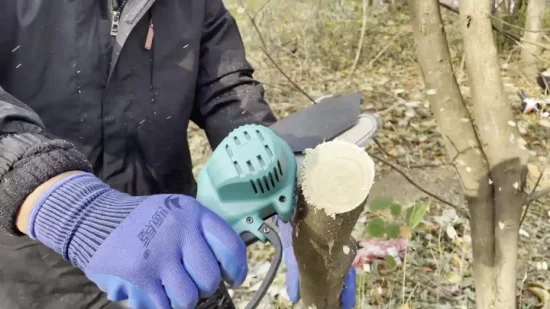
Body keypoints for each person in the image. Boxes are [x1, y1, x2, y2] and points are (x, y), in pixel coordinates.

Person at [0, 1, 356, 309]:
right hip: (37, 276)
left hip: (178, 245)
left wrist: (278, 178)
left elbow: (224, 86)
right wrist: (68, 207)